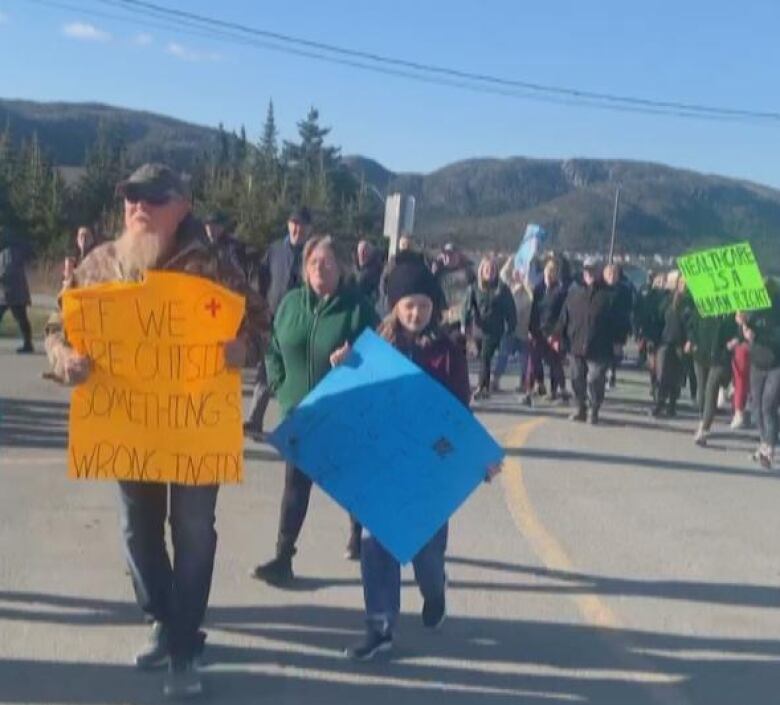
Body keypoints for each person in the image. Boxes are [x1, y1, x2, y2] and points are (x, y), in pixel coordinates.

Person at [43, 163, 268, 699]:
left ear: (183, 204)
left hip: (193, 428)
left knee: (192, 530)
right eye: (130, 198)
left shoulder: (217, 266)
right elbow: (59, 325)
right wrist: (63, 356)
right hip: (128, 428)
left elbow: (259, 326)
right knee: (135, 530)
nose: (138, 206)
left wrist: (245, 351)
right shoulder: (100, 264)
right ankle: (162, 619)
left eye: (153, 197)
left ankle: (186, 641)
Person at [342, 253, 501, 661]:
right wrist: (342, 366)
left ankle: (435, 592)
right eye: (409, 305)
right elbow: (353, 400)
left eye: (424, 306)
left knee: (427, 553)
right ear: (395, 305)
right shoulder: (374, 348)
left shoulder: (447, 352)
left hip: (431, 465)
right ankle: (380, 628)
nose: (416, 313)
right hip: (386, 464)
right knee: (375, 542)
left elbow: (460, 411)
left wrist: (478, 455)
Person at [251, 235, 378, 585]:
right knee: (295, 485)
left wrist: (356, 358)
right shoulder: (291, 304)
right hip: (298, 412)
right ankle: (282, 557)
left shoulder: (357, 307)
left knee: (348, 479)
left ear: (341, 267)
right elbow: (274, 348)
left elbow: (383, 348)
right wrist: (279, 383)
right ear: (304, 268)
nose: (319, 269)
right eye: (312, 263)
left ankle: (358, 534)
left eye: (327, 263)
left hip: (342, 410)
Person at [244, 207, 312, 439]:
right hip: (272, 318)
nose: (297, 229)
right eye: (294, 223)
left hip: (300, 323)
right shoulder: (275, 250)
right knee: (265, 369)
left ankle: (293, 426)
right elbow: (261, 280)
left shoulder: (312, 254)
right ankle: (254, 419)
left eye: (302, 225)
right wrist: (258, 308)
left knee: (296, 375)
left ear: (308, 229)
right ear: (288, 225)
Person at [556, 257, 618, 425]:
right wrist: (558, 336)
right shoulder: (574, 293)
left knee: (595, 379)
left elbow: (618, 322)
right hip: (575, 343)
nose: (589, 274)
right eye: (586, 271)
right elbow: (564, 317)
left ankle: (594, 409)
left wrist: (618, 342)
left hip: (600, 346)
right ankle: (580, 409)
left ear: (599, 272)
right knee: (577, 378)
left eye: (593, 271)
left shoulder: (609, 295)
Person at [462, 256, 516, 401]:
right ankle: (484, 385)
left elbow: (510, 309)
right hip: (478, 329)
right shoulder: (474, 287)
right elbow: (467, 307)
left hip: (495, 329)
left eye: (492, 269)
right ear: (482, 271)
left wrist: (511, 327)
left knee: (485, 357)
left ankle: (482, 387)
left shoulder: (502, 289)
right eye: (487, 269)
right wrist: (464, 325)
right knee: (482, 358)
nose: (490, 272)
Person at [686, 309, 739, 446]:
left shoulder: (731, 312)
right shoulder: (703, 307)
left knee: (711, 388)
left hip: (720, 357)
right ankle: (702, 418)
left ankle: (704, 427)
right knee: (701, 391)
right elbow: (691, 326)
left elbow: (740, 331)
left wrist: (735, 340)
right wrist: (691, 341)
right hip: (701, 354)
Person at [741, 281, 780, 468]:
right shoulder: (756, 311)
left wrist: (757, 336)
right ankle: (764, 443)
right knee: (756, 406)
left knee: (768, 406)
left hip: (776, 365)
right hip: (757, 364)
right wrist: (743, 325)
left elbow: (774, 337)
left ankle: (770, 447)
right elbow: (748, 331)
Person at [493, 256, 533, 399]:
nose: (517, 275)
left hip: (524, 330)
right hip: (510, 329)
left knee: (524, 359)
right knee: (503, 356)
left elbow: (532, 296)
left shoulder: (528, 291)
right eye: (516, 272)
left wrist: (526, 281)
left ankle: (523, 383)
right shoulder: (508, 287)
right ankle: (495, 381)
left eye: (520, 273)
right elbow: (503, 274)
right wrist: (511, 260)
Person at [528, 258, 568, 400]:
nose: (550, 273)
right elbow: (533, 311)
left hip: (553, 332)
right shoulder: (538, 290)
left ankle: (557, 390)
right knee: (534, 360)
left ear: (556, 273)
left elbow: (563, 314)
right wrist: (530, 330)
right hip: (538, 330)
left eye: (553, 271)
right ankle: (536, 386)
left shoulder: (561, 291)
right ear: (544, 271)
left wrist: (557, 334)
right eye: (548, 270)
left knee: (554, 363)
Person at [650, 272, 689, 418]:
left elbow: (691, 324)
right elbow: (658, 319)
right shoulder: (667, 300)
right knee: (662, 374)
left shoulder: (690, 303)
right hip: (665, 341)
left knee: (677, 376)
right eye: (681, 283)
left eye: (685, 284)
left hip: (681, 343)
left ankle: (672, 405)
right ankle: (660, 403)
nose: (683, 286)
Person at [0, 226, 34, 354]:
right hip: (6, 293)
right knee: (21, 318)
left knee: (21, 318)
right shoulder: (5, 252)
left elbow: (8, 271)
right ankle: (27, 343)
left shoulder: (10, 252)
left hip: (15, 292)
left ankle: (28, 343)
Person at [603, 263, 635, 389]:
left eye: (614, 274)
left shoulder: (624, 290)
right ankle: (606, 373)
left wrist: (627, 328)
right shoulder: (601, 288)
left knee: (615, 354)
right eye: (609, 274)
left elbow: (628, 309)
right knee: (604, 353)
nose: (612, 277)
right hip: (603, 328)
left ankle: (612, 372)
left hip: (618, 327)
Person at [204, 211, 247, 277]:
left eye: (214, 226)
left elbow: (238, 269)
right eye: (208, 226)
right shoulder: (204, 245)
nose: (210, 230)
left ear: (222, 227)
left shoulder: (232, 245)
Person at [354, 239, 384, 305]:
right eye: (360, 252)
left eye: (364, 252)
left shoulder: (375, 270)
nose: (361, 255)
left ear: (371, 253)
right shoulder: (355, 269)